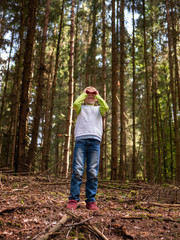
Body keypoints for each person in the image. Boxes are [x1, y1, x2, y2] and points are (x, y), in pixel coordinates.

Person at [67, 86, 109, 210]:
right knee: (78, 170)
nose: (90, 95)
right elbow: (75, 103)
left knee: (92, 172)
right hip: (81, 140)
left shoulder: (99, 109)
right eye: (88, 93)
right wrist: (84, 93)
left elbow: (106, 107)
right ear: (84, 97)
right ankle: (73, 199)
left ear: (96, 98)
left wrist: (97, 94)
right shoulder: (81, 108)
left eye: (93, 94)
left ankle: (91, 201)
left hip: (95, 142)